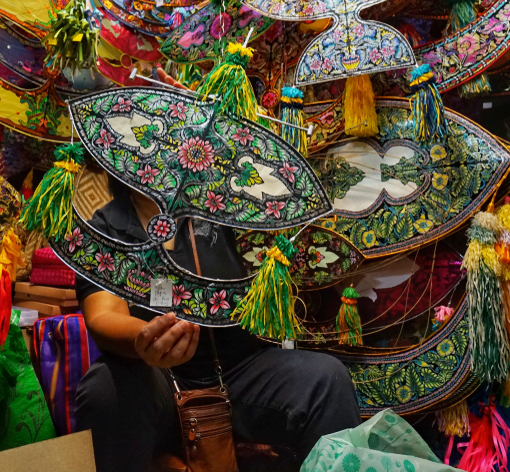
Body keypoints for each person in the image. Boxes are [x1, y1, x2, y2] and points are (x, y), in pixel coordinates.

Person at [74, 72, 361, 471]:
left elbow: (266, 197)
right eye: (132, 139)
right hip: (154, 377)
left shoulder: (218, 206)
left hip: (238, 369)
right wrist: (144, 340)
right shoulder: (104, 229)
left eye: (159, 133)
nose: (147, 149)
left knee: (324, 380)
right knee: (105, 387)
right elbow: (102, 315)